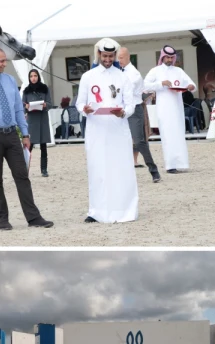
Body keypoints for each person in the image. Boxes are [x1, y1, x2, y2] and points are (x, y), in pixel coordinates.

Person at [0, 47, 54, 231]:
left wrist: (25, 134)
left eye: (5, 60)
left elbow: (17, 110)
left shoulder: (10, 80)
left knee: (22, 176)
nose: (5, 64)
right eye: (1, 61)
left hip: (12, 135)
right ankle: (2, 220)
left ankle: (34, 217)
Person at [78, 40, 137, 224]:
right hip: (96, 131)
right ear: (99, 55)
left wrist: (124, 113)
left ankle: (124, 210)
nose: (108, 59)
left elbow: (131, 105)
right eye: (105, 56)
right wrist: (84, 110)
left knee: (121, 169)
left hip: (118, 129)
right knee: (98, 169)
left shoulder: (123, 77)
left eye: (111, 56)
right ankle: (96, 211)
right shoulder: (88, 77)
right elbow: (79, 103)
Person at [142, 45, 196, 173]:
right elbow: (145, 86)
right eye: (167, 57)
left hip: (177, 108)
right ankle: (170, 165)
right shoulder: (155, 71)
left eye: (172, 57)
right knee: (168, 136)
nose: (169, 59)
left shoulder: (179, 71)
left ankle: (181, 163)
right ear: (162, 57)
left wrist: (191, 86)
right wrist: (161, 84)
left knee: (178, 135)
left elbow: (192, 84)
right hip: (164, 109)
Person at [117, 47, 161, 184]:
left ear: (128, 57)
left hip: (134, 109)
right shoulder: (118, 71)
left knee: (139, 141)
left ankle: (153, 170)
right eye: (118, 58)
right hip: (120, 109)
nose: (119, 61)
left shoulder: (134, 75)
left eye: (121, 58)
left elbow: (125, 91)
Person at [22, 69, 52, 177]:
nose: (33, 78)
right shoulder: (26, 91)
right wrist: (26, 106)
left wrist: (45, 105)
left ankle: (44, 170)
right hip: (32, 120)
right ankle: (25, 169)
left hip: (42, 119)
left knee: (43, 146)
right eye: (31, 76)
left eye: (35, 76)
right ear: (29, 78)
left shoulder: (45, 89)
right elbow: (22, 105)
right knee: (29, 145)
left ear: (38, 77)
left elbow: (50, 103)